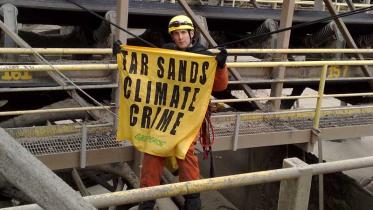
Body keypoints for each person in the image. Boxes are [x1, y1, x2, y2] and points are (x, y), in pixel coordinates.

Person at [138, 15, 228, 210]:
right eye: (176, 34)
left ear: (191, 34)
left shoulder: (202, 56)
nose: (180, 38)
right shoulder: (168, 53)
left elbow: (220, 87)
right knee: (153, 150)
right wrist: (122, 53)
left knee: (185, 151)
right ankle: (146, 201)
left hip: (190, 116)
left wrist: (220, 66)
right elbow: (146, 64)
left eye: (183, 33)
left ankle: (192, 200)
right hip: (167, 113)